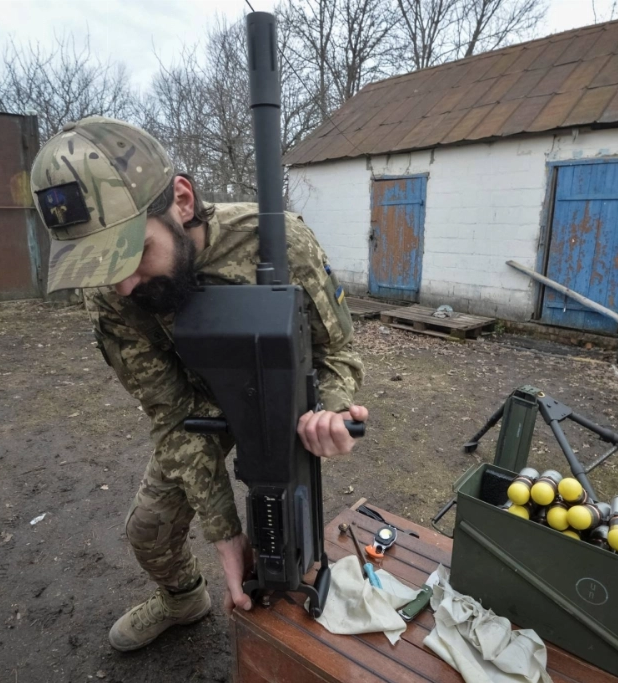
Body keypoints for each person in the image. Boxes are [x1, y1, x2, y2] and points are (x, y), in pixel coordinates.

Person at [29, 116, 366, 652]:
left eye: (134, 254)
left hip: (274, 389)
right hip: (196, 402)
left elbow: (336, 350)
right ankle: (183, 600)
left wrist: (331, 409)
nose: (123, 285)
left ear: (181, 202)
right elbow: (169, 412)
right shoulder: (110, 294)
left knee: (286, 528)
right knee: (149, 533)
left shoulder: (276, 240)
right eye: (101, 265)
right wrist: (224, 533)